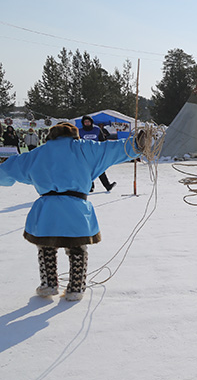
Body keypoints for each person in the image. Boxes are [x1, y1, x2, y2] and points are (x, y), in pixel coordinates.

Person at [0, 122, 147, 301]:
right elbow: (110, 149)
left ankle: (48, 284)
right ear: (74, 135)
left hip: (48, 208)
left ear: (51, 137)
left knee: (46, 245)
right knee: (77, 247)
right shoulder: (84, 148)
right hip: (75, 207)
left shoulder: (38, 153)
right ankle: (76, 288)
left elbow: (9, 168)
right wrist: (136, 144)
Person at [78, 116, 117, 191]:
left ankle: (107, 186)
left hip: (97, 153)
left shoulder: (97, 130)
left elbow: (102, 140)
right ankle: (90, 186)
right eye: (85, 122)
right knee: (87, 170)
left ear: (91, 122)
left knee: (100, 169)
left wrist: (103, 150)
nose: (87, 123)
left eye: (88, 121)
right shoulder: (80, 131)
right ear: (83, 123)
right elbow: (77, 142)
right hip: (85, 154)